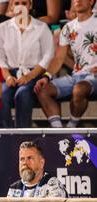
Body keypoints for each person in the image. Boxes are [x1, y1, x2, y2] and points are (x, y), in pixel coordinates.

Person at [34, 0, 97, 128]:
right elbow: (58, 59)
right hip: (76, 76)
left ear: (91, 1)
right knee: (42, 89)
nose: (77, 1)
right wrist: (46, 77)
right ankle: (58, 130)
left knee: (79, 89)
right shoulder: (68, 27)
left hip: (93, 77)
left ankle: (71, 127)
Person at [0, 0, 55, 128]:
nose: (20, 7)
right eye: (16, 3)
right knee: (3, 95)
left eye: (24, 3)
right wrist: (7, 77)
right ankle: (7, 133)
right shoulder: (2, 28)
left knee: (22, 94)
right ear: (11, 5)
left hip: (34, 73)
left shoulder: (41, 27)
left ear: (30, 5)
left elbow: (47, 56)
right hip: (10, 74)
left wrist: (29, 76)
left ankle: (22, 134)